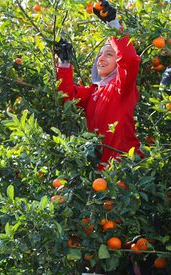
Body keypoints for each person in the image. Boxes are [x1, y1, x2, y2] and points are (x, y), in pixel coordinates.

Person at [54, 0, 143, 169]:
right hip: (103, 171)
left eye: (109, 54)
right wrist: (64, 62)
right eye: (100, 55)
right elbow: (66, 96)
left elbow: (129, 59)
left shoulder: (122, 88)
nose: (101, 58)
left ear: (118, 62)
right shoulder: (93, 93)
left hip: (126, 165)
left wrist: (112, 24)